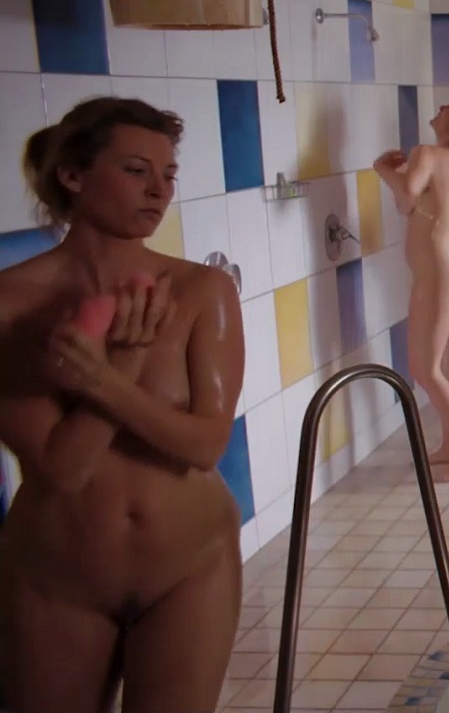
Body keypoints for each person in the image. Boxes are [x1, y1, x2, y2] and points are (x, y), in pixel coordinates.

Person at [0, 96, 246, 712]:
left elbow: (205, 445)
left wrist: (108, 379)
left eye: (168, 174)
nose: (159, 191)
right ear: (72, 175)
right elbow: (64, 469)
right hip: (58, 573)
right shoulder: (10, 306)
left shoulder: (202, 290)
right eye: (137, 171)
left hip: (189, 564)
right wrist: (124, 363)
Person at [373, 97, 449, 483]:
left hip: (439, 272)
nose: (442, 105)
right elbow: (411, 205)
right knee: (439, 366)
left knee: (424, 369)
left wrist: (382, 169)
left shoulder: (426, 153)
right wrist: (400, 177)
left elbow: (407, 195)